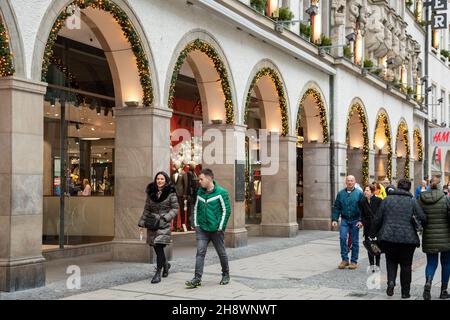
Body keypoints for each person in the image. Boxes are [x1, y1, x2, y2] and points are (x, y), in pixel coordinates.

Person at [371, 178, 427, 299]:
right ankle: (405, 292)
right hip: (408, 240)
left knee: (391, 261)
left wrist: (372, 234)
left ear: (398, 186)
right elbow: (423, 217)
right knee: (406, 265)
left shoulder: (387, 200)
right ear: (409, 188)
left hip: (388, 238)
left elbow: (377, 219)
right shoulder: (412, 201)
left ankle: (391, 282)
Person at [185, 168, 231, 289]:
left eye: (201, 179)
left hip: (216, 230)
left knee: (221, 253)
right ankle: (197, 279)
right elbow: (196, 208)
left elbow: (226, 211)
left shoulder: (222, 192)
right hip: (202, 230)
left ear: (209, 178)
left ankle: (226, 274)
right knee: (200, 253)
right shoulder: (199, 192)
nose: (199, 181)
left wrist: (220, 227)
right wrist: (196, 225)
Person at [138, 172, 179, 284]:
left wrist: (166, 218)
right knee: (156, 247)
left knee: (159, 247)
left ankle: (158, 273)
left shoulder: (171, 192)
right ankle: (165, 265)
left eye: (162, 179)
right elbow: (147, 208)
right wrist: (141, 223)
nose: (159, 181)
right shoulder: (151, 192)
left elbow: (175, 209)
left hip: (163, 223)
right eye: (158, 179)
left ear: (166, 180)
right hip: (152, 223)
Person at [418, 176, 450, 300]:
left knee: (431, 263)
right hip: (446, 236)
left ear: (429, 185)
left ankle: (428, 282)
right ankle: (443, 291)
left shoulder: (421, 198)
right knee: (446, 263)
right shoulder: (446, 199)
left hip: (429, 235)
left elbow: (418, 215)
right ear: (440, 186)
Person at [332, 175, 364, 270]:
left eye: (351, 181)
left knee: (354, 241)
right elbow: (337, 207)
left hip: (355, 220)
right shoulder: (341, 194)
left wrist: (361, 220)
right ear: (346, 182)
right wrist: (334, 219)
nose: (350, 182)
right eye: (348, 181)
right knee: (342, 238)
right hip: (345, 220)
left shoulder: (359, 193)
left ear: (355, 182)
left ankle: (354, 261)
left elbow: (363, 209)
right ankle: (345, 260)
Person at [359, 184, 382, 272]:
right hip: (368, 226)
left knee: (376, 245)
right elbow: (362, 214)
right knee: (369, 245)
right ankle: (371, 264)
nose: (365, 192)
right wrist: (362, 222)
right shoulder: (362, 201)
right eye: (365, 190)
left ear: (372, 192)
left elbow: (381, 213)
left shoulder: (378, 200)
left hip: (376, 226)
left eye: (367, 190)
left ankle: (377, 264)